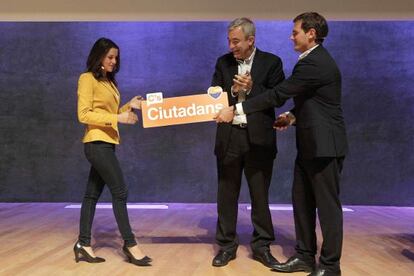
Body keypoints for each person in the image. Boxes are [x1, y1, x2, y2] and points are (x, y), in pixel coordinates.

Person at [215, 12, 348, 276]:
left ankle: (330, 265)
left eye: (295, 31)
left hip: (324, 145)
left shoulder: (315, 61)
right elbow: (313, 101)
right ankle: (305, 257)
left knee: (328, 207)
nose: (291, 36)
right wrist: (293, 116)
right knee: (302, 202)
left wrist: (239, 106)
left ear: (311, 33)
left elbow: (278, 94)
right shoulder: (309, 61)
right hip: (309, 144)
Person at [211, 18, 285, 268]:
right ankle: (226, 246)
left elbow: (278, 99)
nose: (231, 46)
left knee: (260, 195)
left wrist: (253, 88)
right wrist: (231, 92)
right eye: (229, 41)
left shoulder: (272, 62)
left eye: (236, 41)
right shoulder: (223, 63)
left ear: (250, 40)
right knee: (226, 194)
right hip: (230, 137)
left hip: (259, 139)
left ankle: (262, 246)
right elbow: (213, 95)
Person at [74, 37, 152, 266]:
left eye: (116, 57)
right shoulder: (86, 79)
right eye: (110, 57)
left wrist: (129, 106)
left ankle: (83, 243)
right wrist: (119, 117)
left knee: (91, 195)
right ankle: (130, 244)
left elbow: (110, 111)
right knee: (120, 191)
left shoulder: (108, 81)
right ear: (98, 56)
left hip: (107, 143)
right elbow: (84, 115)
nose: (114, 61)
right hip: (96, 144)